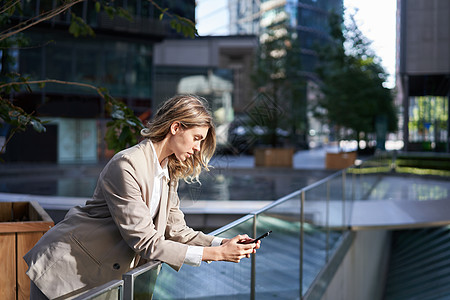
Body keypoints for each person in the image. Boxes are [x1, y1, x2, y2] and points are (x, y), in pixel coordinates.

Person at [24, 95, 260, 299]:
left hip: (100, 276)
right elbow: (145, 241)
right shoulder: (127, 165)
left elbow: (177, 231)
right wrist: (215, 255)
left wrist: (223, 244)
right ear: (175, 127)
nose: (198, 148)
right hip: (66, 269)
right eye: (197, 137)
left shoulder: (168, 170)